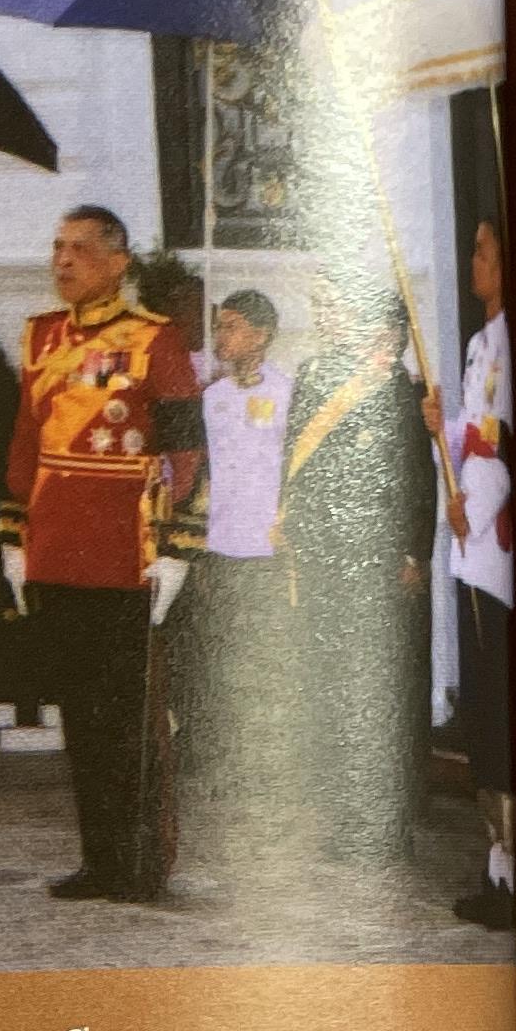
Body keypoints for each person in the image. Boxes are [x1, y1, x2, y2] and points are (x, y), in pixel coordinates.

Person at [0, 205, 203, 904]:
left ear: (118, 262)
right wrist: (11, 535)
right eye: (56, 247)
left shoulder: (156, 340)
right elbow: (26, 442)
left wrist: (177, 545)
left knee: (128, 719)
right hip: (57, 550)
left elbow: (184, 450)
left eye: (80, 249)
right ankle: (100, 859)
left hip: (125, 552)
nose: (62, 261)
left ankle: (142, 862)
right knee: (82, 716)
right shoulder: (39, 336)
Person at [280, 276, 433, 872]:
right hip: (323, 560)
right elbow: (297, 466)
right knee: (335, 691)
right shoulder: (314, 378)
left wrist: (413, 552)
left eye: (334, 306)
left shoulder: (399, 391)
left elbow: (416, 481)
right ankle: (347, 816)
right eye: (319, 307)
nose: (324, 317)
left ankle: (389, 829)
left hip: (378, 560)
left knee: (379, 694)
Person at [181, 284, 295, 837]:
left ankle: (271, 768)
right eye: (219, 326)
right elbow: (204, 475)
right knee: (220, 658)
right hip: (220, 547)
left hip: (269, 550)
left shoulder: (289, 393)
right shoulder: (212, 398)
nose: (220, 337)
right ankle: (226, 764)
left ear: (262, 333)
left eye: (230, 326)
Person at [434, 213, 513, 928]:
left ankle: (514, 878)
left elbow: (503, 448)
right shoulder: (480, 342)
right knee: (485, 721)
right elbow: (474, 433)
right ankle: (497, 869)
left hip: (496, 551)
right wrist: (443, 422)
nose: (472, 258)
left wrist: (473, 512)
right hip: (473, 549)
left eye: (484, 248)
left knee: (501, 717)